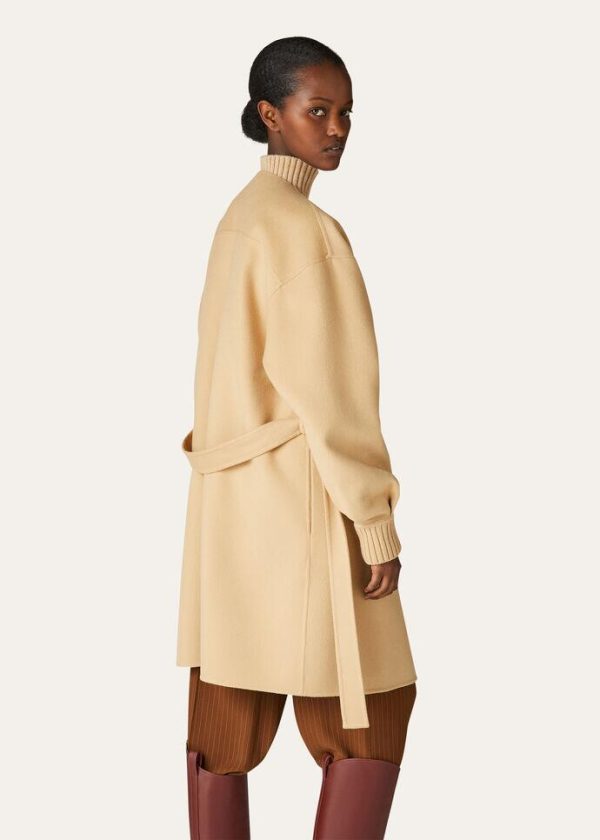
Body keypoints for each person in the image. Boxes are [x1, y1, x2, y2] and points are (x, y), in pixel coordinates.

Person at [176, 35, 418, 839]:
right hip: (305, 505)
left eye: (346, 112)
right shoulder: (304, 230)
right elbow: (335, 396)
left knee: (226, 711)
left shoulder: (241, 219)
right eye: (318, 110)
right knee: (374, 710)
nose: (337, 128)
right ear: (269, 114)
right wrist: (374, 520)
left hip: (232, 516)